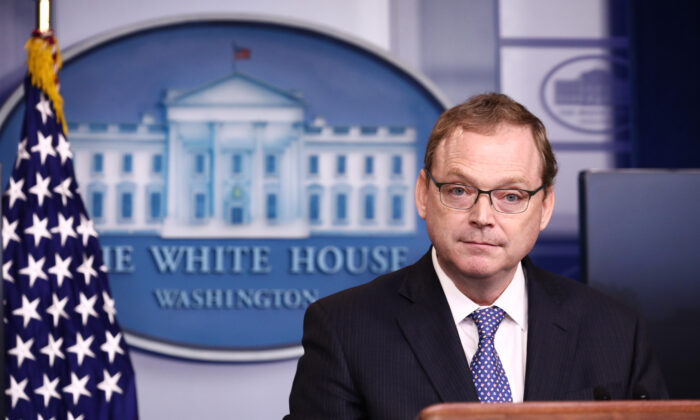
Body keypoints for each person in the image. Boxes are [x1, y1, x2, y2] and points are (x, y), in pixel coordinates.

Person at [285, 93, 667, 420]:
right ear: (423, 194)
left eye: (511, 196)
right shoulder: (345, 330)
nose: (482, 217)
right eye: (458, 190)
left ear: (546, 206)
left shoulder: (615, 331)